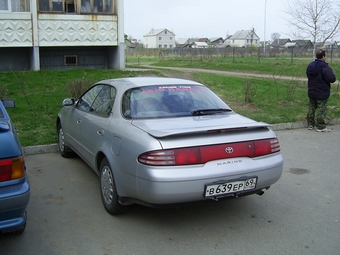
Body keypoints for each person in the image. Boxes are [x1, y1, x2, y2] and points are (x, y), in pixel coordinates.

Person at [306, 49, 336, 132]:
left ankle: (310, 124)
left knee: (312, 107)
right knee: (321, 109)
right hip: (322, 91)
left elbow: (308, 75)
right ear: (323, 57)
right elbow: (332, 78)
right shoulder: (324, 67)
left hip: (312, 90)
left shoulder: (311, 65)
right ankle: (320, 126)